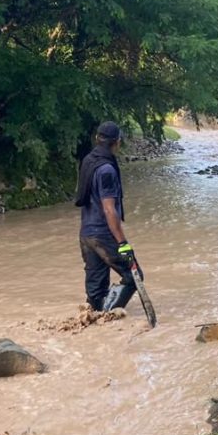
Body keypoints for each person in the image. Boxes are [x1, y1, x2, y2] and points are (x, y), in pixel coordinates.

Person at [74, 121, 142, 312]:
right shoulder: (107, 170)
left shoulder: (88, 161)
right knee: (134, 276)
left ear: (97, 139)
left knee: (96, 292)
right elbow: (109, 209)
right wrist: (122, 243)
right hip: (103, 235)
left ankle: (95, 319)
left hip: (86, 234)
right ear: (117, 142)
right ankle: (108, 316)